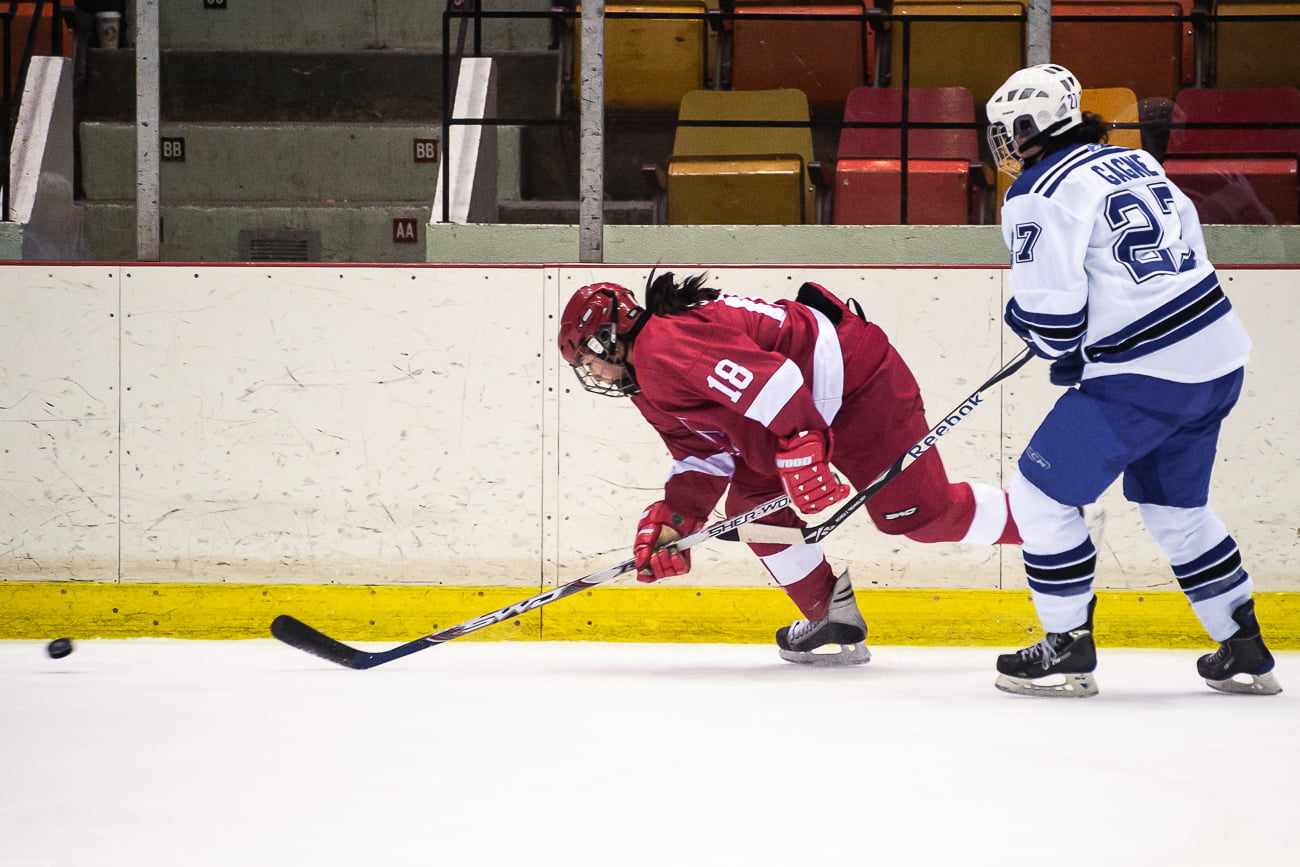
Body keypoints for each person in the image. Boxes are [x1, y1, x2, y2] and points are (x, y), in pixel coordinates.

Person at [985, 63, 1282, 697]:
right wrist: (1083, 344)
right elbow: (1188, 250)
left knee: (1040, 498)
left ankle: (1066, 649)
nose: (1003, 144)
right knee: (1175, 508)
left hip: (1144, 377)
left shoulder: (1038, 192)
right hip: (1217, 358)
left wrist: (1050, 338)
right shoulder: (1135, 163)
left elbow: (1051, 318)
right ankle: (1244, 646)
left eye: (1006, 131)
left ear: (1030, 127)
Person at [558, 272, 1022, 665]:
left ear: (608, 340)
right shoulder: (647, 383)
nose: (592, 374)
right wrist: (678, 519)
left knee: (923, 516)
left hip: (857, 382)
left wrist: (802, 440)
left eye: (588, 360)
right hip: (795, 409)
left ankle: (1047, 523)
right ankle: (829, 614)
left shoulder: (663, 344)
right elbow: (703, 453)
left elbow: (775, 380)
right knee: (756, 509)